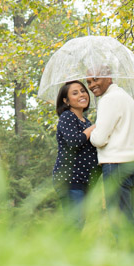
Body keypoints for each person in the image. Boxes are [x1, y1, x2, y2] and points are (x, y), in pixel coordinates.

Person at [87, 68, 134, 227]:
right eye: (89, 82)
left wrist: (92, 130)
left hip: (116, 166)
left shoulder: (108, 99)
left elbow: (99, 140)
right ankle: (132, 252)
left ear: (108, 77)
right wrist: (125, 139)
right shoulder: (128, 100)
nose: (92, 85)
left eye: (96, 79)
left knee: (119, 222)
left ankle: (129, 252)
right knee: (127, 217)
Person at [53, 81, 101, 227]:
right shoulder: (67, 117)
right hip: (70, 180)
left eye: (82, 91)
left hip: (85, 182)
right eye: (75, 93)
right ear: (66, 101)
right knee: (75, 223)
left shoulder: (86, 122)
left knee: (80, 224)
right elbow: (74, 141)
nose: (81, 94)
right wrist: (93, 128)